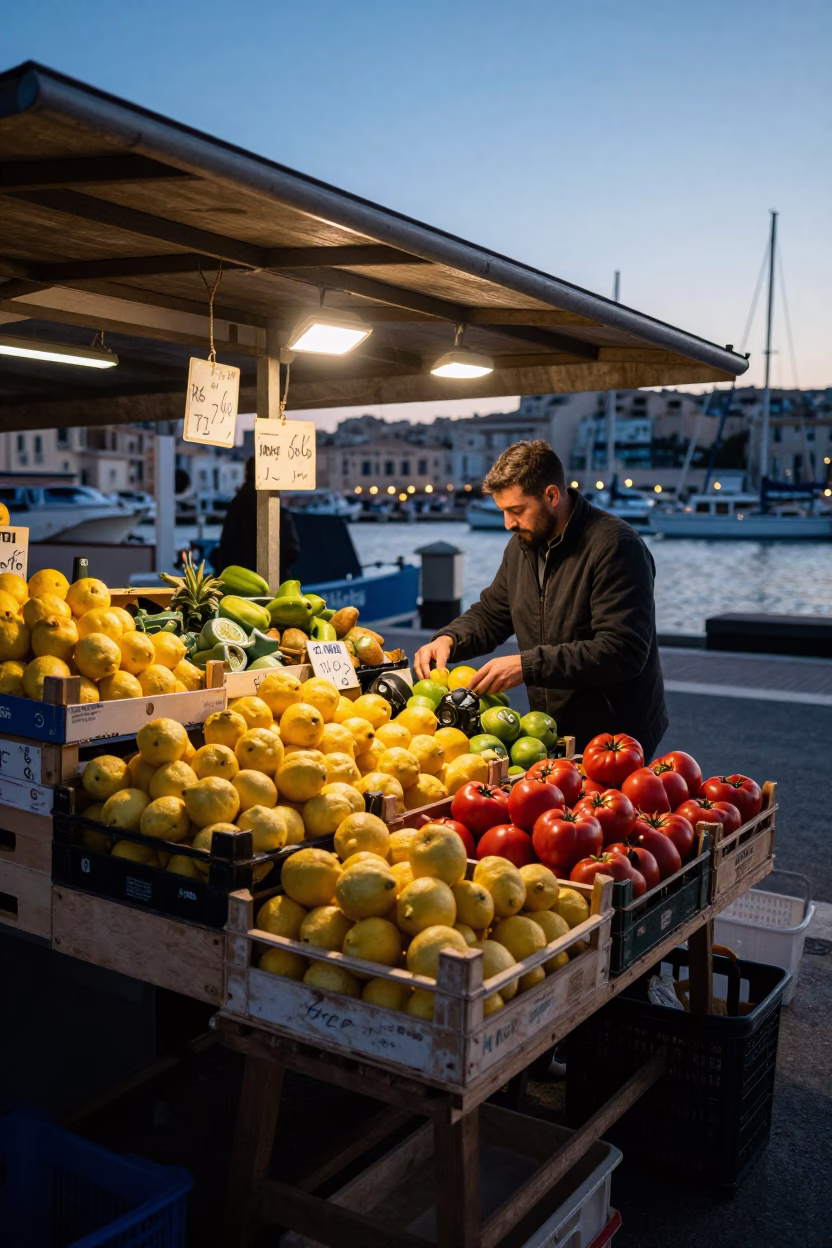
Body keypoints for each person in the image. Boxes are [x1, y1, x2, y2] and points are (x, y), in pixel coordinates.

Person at [414, 440, 668, 756]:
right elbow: (493, 613)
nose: (508, 523)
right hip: (552, 730)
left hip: (618, 735)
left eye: (517, 510)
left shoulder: (617, 546)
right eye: (503, 511)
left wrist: (527, 665)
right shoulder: (523, 544)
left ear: (551, 495)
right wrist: (450, 639)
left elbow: (623, 650)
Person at [214, 457, 300, 575]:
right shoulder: (271, 504)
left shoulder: (237, 503)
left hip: (239, 582)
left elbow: (226, 549)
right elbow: (291, 551)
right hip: (271, 584)